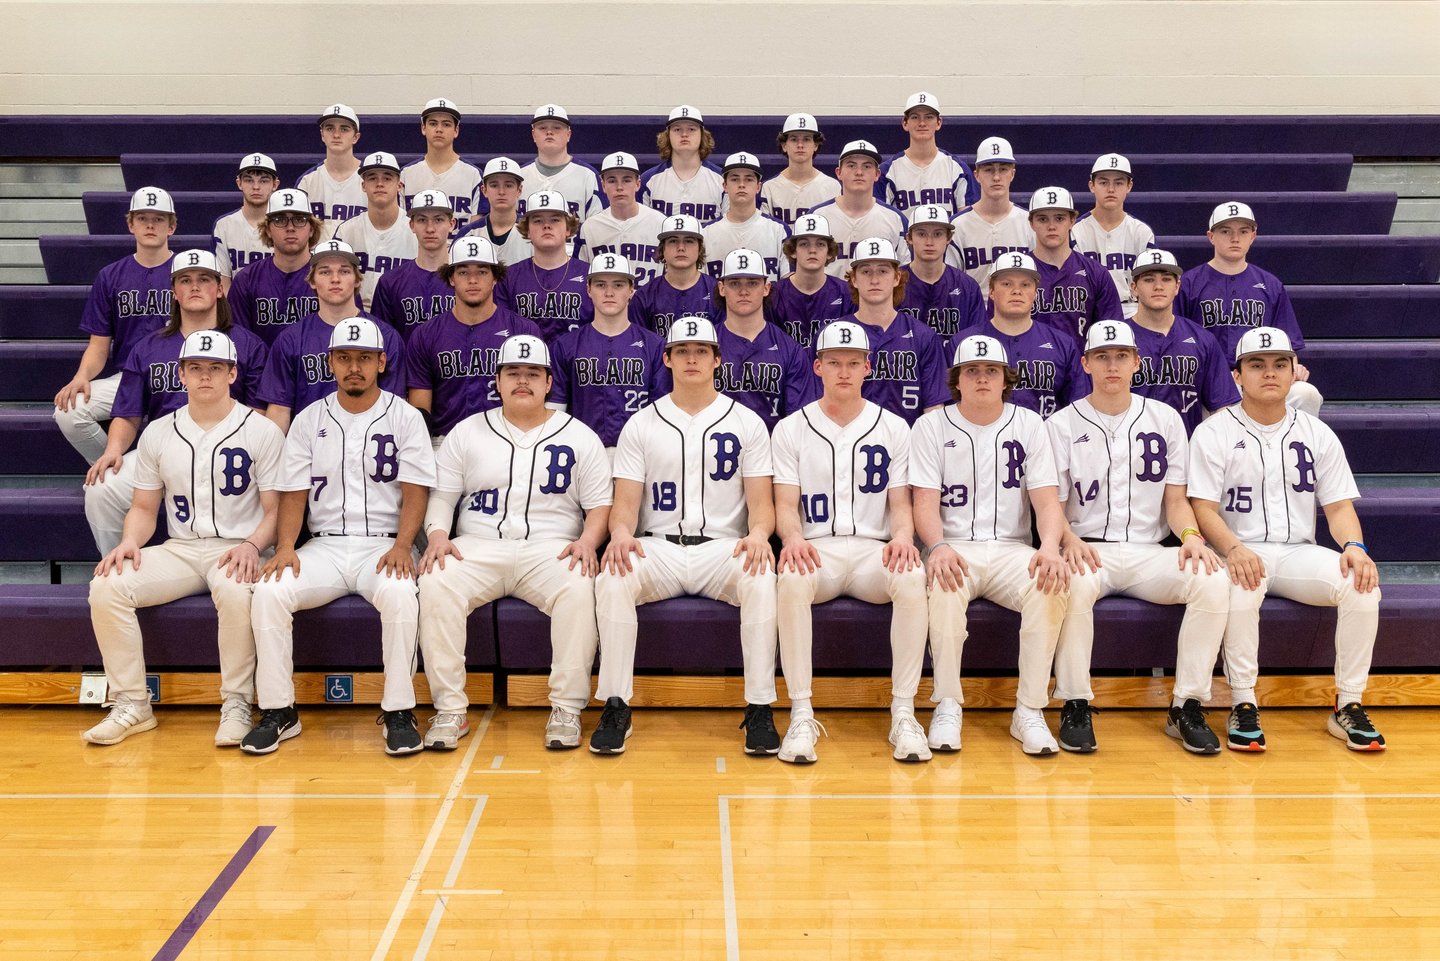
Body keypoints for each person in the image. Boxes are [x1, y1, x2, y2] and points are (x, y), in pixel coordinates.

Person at [243, 317, 437, 756]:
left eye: (364, 358)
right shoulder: (309, 419)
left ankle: (399, 711)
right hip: (325, 545)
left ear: (381, 362)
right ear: (330, 362)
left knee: (402, 595)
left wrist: (404, 546)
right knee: (270, 591)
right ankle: (279, 710)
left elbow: (416, 492)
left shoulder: (406, 416)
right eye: (345, 358)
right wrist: (287, 548)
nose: (355, 367)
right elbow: (294, 494)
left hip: (384, 543)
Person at [83, 331, 284, 747]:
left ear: (233, 373)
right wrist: (130, 543)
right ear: (181, 374)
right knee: (106, 586)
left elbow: (275, 512)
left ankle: (237, 703)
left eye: (214, 368)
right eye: (196, 368)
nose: (205, 376)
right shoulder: (158, 431)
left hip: (239, 547)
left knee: (234, 590)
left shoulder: (261, 430)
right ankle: (132, 704)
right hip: (180, 549)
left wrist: (251, 546)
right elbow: (142, 509)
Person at [1187, 327, 1383, 752]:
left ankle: (1348, 703)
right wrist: (1233, 549)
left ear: (1296, 373)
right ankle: (1243, 702)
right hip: (1240, 550)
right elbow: (1201, 507)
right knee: (1236, 585)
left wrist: (1355, 547)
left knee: (1362, 584)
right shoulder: (1214, 431)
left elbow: (1338, 507)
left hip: (1298, 552)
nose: (1270, 373)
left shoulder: (1317, 433)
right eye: (1257, 365)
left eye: (1280, 364)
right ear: (1237, 375)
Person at [591, 317, 778, 755]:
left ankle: (760, 706)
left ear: (717, 359)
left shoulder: (747, 422)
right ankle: (617, 703)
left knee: (761, 576)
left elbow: (763, 505)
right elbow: (625, 505)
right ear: (667, 358)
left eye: (701, 351)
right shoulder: (641, 423)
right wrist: (619, 533)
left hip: (723, 547)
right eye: (682, 351)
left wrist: (759, 535)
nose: (691, 358)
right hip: (657, 546)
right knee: (613, 576)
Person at [418, 334, 612, 749]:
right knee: (435, 581)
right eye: (513, 373)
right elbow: (443, 497)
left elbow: (599, 506)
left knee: (579, 588)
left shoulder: (580, 435)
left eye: (532, 374)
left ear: (548, 383)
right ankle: (450, 710)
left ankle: (566, 708)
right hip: (478, 543)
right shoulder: (467, 432)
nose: (522, 381)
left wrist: (589, 541)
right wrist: (437, 535)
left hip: (551, 547)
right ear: (498, 381)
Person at [1047, 320, 1228, 755]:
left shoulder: (1166, 419)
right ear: (1086, 363)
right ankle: (1074, 702)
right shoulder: (1059, 424)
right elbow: (1048, 501)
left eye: (1121, 356)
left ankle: (1185, 704)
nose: (1113, 365)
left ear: (1136, 362)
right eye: (1103, 357)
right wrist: (1067, 539)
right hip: (1089, 548)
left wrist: (1190, 536)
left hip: (1150, 551)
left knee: (1213, 581)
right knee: (1070, 586)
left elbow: (1176, 500)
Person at [772, 320, 925, 763]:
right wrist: (793, 538)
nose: (844, 371)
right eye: (834, 362)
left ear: (867, 367)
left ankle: (903, 713)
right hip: (816, 548)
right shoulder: (790, 428)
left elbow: (901, 501)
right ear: (817, 366)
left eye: (853, 363)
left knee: (913, 575)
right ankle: (801, 713)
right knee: (792, 580)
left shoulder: (895, 427)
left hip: (872, 552)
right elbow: (785, 504)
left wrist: (902, 536)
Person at [911, 334, 1071, 755]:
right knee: (943, 587)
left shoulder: (1030, 423)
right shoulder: (930, 426)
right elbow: (923, 503)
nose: (982, 378)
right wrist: (937, 546)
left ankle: (1029, 709)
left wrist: (1051, 546)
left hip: (1011, 550)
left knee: (1049, 583)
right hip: (953, 546)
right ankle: (948, 703)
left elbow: (1046, 500)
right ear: (957, 380)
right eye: (972, 371)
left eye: (991, 371)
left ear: (1006, 379)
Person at [84, 251, 268, 556]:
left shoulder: (248, 344)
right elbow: (129, 412)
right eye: (186, 280)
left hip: (230, 450)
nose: (195, 286)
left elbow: (260, 411)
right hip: (163, 449)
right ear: (174, 291)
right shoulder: (148, 347)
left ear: (220, 288)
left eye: (204, 279)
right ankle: (117, 560)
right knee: (101, 489)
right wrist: (113, 450)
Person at [54, 186, 176, 464]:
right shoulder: (110, 276)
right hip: (129, 377)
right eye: (143, 218)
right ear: (130, 224)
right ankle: (114, 468)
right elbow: (98, 346)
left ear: (172, 226)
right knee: (67, 411)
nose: (150, 224)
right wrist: (82, 375)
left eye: (158, 218)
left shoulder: (188, 272)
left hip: (177, 375)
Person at [1176, 201, 1321, 416]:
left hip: (1260, 375)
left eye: (1243, 231)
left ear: (1253, 236)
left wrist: (1292, 369)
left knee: (1307, 394)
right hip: (1208, 379)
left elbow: (1287, 343)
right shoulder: (1188, 283)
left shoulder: (1270, 284)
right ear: (1211, 236)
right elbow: (1176, 336)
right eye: (1226, 231)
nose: (1235, 238)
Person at [257, 239, 407, 434]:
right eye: (325, 272)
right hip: (310, 445)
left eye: (344, 271)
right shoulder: (291, 339)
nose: (335, 279)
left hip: (371, 446)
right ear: (312, 281)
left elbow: (394, 407)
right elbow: (279, 410)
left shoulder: (386, 336)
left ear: (357, 280)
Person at [406, 237, 543, 444]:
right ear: (451, 278)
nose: (472, 280)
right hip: (444, 441)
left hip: (509, 440)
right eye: (463, 272)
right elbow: (420, 412)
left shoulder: (523, 331)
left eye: (482, 271)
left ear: (495, 277)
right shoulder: (426, 334)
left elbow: (535, 399)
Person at [816, 238, 946, 425]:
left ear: (896, 278)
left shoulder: (923, 336)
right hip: (843, 441)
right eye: (866, 271)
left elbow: (933, 409)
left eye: (883, 271)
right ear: (854, 279)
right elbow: (816, 402)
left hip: (908, 443)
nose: (874, 280)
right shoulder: (830, 335)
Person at [549, 253, 670, 450]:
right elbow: (555, 413)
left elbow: (663, 413)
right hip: (582, 452)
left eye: (618, 285)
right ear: (588, 289)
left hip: (640, 452)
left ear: (632, 290)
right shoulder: (565, 346)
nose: (609, 292)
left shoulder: (655, 346)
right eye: (600, 285)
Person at [952, 252, 1087, 419]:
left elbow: (1079, 408)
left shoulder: (1063, 344)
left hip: (1048, 439)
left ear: (1036, 293)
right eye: (1007, 284)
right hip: (980, 439)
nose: (1016, 291)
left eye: (1025, 285)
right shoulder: (962, 343)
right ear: (992, 291)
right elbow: (951, 406)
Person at [1125, 249, 1238, 434]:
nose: (1158, 286)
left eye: (1167, 279)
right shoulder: (1118, 339)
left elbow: (1222, 407)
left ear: (1177, 286)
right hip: (1127, 448)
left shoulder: (1203, 339)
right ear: (1134, 287)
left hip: (1187, 448)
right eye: (1148, 279)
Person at [713, 248, 817, 430]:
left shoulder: (790, 350)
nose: (743, 291)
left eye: (752, 283)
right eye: (735, 283)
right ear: (722, 288)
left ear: (766, 288)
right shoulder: (706, 346)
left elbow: (799, 420)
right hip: (712, 451)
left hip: (772, 451)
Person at [228, 189, 326, 347]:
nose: (290, 228)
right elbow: (240, 343)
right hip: (262, 370)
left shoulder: (331, 278)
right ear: (268, 229)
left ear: (311, 229)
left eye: (299, 219)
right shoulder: (246, 280)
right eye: (280, 220)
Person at [1026, 186, 1124, 346]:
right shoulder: (1017, 274)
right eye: (1043, 219)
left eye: (1059, 218)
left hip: (1080, 368)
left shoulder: (1096, 273)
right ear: (1031, 223)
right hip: (1030, 367)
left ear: (1072, 221)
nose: (1051, 226)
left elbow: (1111, 331)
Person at [496, 190, 594, 342]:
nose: (547, 226)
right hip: (524, 362)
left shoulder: (591, 275)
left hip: (577, 362)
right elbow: (501, 330)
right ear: (527, 230)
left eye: (555, 220)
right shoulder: (509, 277)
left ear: (568, 228)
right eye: (538, 221)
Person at [808, 140, 910, 277]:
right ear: (839, 172)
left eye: (867, 166)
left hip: (876, 296)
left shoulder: (895, 219)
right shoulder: (817, 217)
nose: (859, 172)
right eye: (851, 165)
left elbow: (904, 272)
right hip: (826, 298)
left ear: (877, 174)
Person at [1071, 153, 1155, 319]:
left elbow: (1151, 282)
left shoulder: (1141, 232)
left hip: (1133, 311)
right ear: (1091, 185)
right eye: (1103, 182)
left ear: (1129, 186)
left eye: (1119, 182)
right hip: (1089, 311)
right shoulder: (1076, 231)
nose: (1111, 189)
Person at [334, 151, 419, 310]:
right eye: (372, 178)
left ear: (399, 186)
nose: (380, 183)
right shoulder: (346, 231)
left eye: (387, 178)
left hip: (402, 316)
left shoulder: (416, 231)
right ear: (363, 185)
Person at [370, 188, 457, 340]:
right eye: (422, 220)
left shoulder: (468, 280)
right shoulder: (390, 282)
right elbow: (384, 341)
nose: (430, 229)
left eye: (438, 220)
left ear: (451, 224)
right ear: (411, 225)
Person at [947, 137, 1034, 284]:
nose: (996, 177)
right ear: (977, 175)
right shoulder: (958, 225)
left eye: (1003, 169)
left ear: (1012, 174)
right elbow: (951, 282)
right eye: (988, 170)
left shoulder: (1030, 223)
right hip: (973, 306)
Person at [877, 92, 978, 216]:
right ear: (904, 123)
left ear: (939, 122)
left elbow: (967, 219)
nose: (922, 123)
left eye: (929, 117)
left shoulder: (957, 168)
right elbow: (881, 219)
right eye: (915, 117)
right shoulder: (888, 171)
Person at [898, 203, 987, 344]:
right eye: (921, 234)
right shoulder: (894, 282)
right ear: (909, 238)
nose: (929, 242)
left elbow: (976, 339)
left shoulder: (967, 287)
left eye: (937, 234)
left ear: (948, 238)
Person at [577, 151, 666, 285]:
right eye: (612, 180)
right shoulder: (590, 227)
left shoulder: (661, 224)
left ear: (638, 183)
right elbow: (580, 277)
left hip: (651, 304)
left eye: (626, 180)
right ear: (603, 185)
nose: (619, 187)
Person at [765, 213, 852, 350]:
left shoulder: (846, 292)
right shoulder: (773, 294)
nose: (812, 250)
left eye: (820, 244)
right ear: (793, 251)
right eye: (804, 244)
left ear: (829, 252)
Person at [629, 214, 722, 338]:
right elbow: (639, 346)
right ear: (663, 248)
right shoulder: (644, 296)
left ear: (700, 248)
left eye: (689, 241)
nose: (681, 248)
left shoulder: (717, 292)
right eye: (673, 241)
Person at [703, 152, 790, 281]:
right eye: (734, 179)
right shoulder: (705, 233)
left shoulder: (779, 230)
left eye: (749, 179)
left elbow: (788, 283)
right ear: (725, 186)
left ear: (758, 187)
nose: (741, 184)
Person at [518, 104, 605, 222]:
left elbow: (598, 228)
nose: (549, 132)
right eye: (542, 128)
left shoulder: (588, 176)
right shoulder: (519, 175)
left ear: (568, 134)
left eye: (557, 128)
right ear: (534, 135)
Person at [638, 105, 725, 221]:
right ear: (668, 135)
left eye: (691, 129)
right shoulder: (648, 180)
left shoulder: (722, 180)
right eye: (677, 129)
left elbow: (729, 226)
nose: (684, 134)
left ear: (702, 135)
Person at [400, 98, 481, 219]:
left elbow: (476, 230)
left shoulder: (473, 175)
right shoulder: (406, 174)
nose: (439, 129)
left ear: (456, 131)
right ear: (423, 128)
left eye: (446, 124)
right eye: (433, 123)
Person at [296, 103, 366, 236]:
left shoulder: (370, 179)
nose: (336, 135)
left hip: (358, 256)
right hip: (316, 256)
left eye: (344, 129)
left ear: (356, 137)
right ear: (322, 135)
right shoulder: (307, 181)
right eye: (330, 128)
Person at [760, 112, 838, 227]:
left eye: (806, 139)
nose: (800, 145)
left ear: (815, 145)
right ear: (784, 145)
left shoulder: (833, 186)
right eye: (794, 139)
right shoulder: (769, 187)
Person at [213, 154, 279, 289]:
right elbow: (223, 281)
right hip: (236, 306)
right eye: (249, 180)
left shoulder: (284, 225)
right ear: (239, 183)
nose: (256, 187)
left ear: (275, 184)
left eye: (264, 181)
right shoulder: (224, 225)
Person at [456, 157, 533, 267]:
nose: (501, 192)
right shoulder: (468, 234)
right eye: (494, 185)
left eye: (508, 185)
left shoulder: (533, 232)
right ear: (484, 190)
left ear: (519, 190)